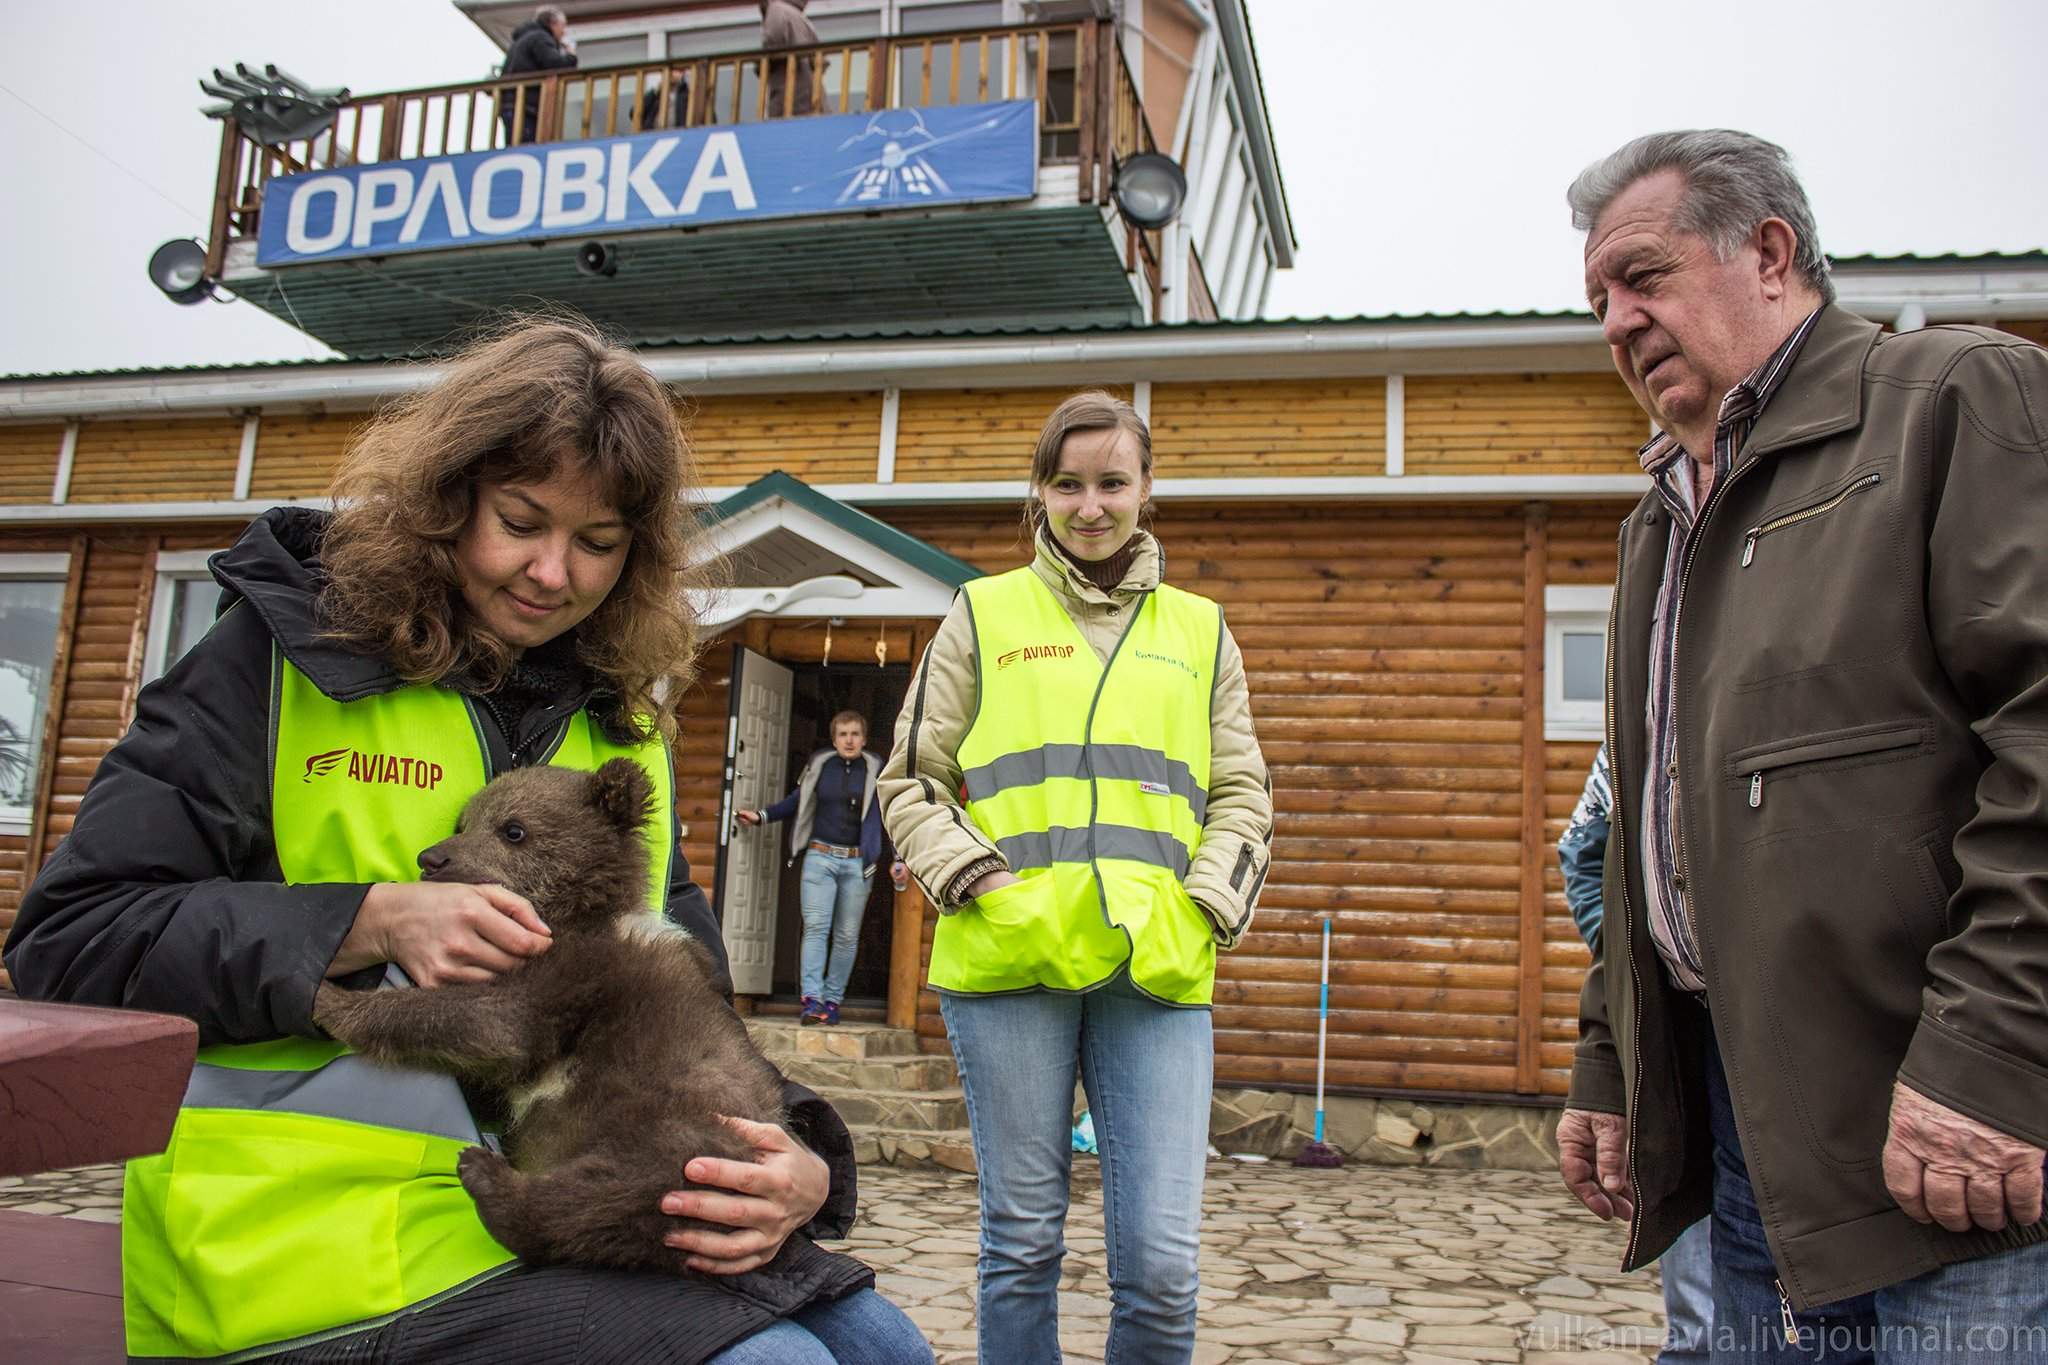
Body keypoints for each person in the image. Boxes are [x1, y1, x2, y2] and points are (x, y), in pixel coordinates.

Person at [1, 318, 931, 1365]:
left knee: (885, 1347)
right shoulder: (276, 659)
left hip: (552, 1190)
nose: (551, 572)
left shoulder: (615, 723)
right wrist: (358, 921)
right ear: (446, 501)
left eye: (597, 543)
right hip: (296, 1236)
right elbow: (68, 938)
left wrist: (796, 1157)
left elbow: (682, 1002)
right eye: (520, 521)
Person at [1558, 129, 2048, 1359]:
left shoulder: (1950, 400)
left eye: (1643, 277)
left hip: (1940, 1136)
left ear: (1768, 253)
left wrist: (1987, 1059)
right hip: (1742, 1130)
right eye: (1598, 300)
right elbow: (1647, 836)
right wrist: (1611, 1063)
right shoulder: (1657, 525)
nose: (1616, 322)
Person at [880, 389, 1274, 1363]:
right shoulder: (981, 613)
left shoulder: (1201, 631)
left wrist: (1206, 906)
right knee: (1019, 1245)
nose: (1089, 505)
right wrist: (977, 880)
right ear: (1039, 495)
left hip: (1157, 964)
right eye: (1067, 484)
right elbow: (909, 782)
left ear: (1146, 491)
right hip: (1012, 957)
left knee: (1163, 1268)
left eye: (1111, 482)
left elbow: (1242, 794)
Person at [1558, 743, 1712, 1363]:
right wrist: (1639, 972)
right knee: (1703, 1323)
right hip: (1692, 1041)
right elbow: (1584, 852)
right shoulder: (1653, 714)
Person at [735, 710, 906, 1026]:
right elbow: (796, 801)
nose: (849, 740)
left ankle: (832, 1001)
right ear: (834, 738)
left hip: (858, 863)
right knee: (816, 927)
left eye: (855, 734)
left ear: (864, 739)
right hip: (819, 858)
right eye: (843, 734)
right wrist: (761, 816)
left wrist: (898, 858)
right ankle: (811, 1000)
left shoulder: (875, 769)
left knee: (846, 935)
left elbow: (889, 816)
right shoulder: (820, 765)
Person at [499, 5, 578, 146]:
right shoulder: (540, 38)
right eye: (562, 26)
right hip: (526, 105)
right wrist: (571, 55)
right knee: (526, 147)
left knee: (514, 146)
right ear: (552, 24)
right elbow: (556, 64)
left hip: (511, 103)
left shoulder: (522, 40)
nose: (563, 32)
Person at [760, 0, 819, 118]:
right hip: (811, 100)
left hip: (790, 100)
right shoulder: (804, 20)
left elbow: (773, 42)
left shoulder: (777, 9)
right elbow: (820, 61)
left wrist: (758, 64)